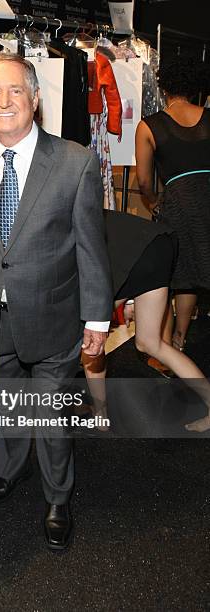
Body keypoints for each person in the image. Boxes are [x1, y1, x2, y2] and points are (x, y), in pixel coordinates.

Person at [0, 54, 113, 552]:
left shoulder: (75, 162)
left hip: (54, 320)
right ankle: (8, 471)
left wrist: (97, 319)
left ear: (35, 99)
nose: (4, 101)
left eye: (15, 91)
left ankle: (58, 498)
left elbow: (91, 248)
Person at [82, 210, 210, 433]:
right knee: (150, 343)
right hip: (159, 244)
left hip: (133, 254)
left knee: (90, 343)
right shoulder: (82, 207)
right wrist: (130, 300)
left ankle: (100, 415)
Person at [135, 55, 210, 432]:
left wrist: (155, 203)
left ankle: (169, 348)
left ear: (163, 87)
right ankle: (176, 341)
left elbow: (145, 182)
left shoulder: (150, 126)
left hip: (179, 208)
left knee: (178, 276)